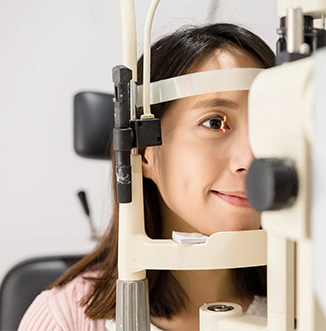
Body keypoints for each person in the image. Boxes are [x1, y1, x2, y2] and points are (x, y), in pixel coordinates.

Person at [18, 23, 275, 331]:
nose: (251, 159)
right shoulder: (64, 320)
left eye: (266, 123)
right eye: (214, 122)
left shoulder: (313, 305)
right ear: (143, 150)